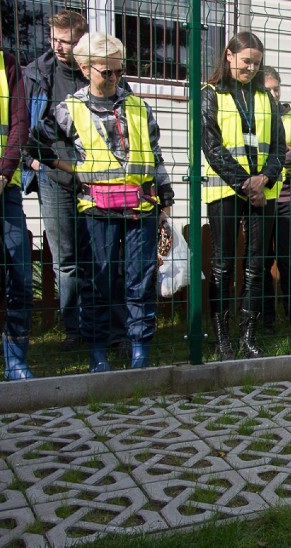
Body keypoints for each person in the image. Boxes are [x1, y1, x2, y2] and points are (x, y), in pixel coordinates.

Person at [29, 32, 174, 372]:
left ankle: (141, 351)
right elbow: (36, 146)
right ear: (84, 68)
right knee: (99, 282)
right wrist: (73, 170)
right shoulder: (69, 109)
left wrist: (166, 199)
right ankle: (98, 354)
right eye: (104, 72)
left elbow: (155, 156)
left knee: (139, 280)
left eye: (118, 72)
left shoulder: (138, 107)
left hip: (141, 207)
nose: (112, 79)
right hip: (96, 210)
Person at [23, 10, 131, 353]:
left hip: (99, 181)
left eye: (66, 41)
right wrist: (35, 162)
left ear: (82, 43)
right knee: (66, 258)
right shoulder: (37, 74)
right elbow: (24, 123)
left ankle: (112, 329)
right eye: (54, 38)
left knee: (107, 257)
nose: (58, 46)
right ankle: (74, 329)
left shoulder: (105, 74)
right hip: (54, 177)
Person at [201, 32, 286, 360]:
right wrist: (246, 184)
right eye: (245, 61)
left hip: (263, 193)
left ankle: (247, 336)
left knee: (256, 266)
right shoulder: (210, 94)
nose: (250, 67)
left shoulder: (266, 98)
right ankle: (222, 337)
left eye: (256, 62)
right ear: (229, 56)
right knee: (223, 266)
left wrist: (264, 179)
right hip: (225, 191)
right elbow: (213, 147)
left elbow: (279, 147)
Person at [260, 65, 291, 332]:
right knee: (262, 262)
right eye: (268, 90)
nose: (273, 94)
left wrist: (271, 156)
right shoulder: (252, 118)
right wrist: (282, 152)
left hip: (287, 199)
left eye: (276, 89)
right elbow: (251, 154)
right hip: (259, 201)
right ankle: (266, 320)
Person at [0, 48, 32, 380]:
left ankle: (15, 359)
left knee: (20, 275)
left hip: (5, 189)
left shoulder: (7, 64)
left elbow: (19, 124)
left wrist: (3, 172)